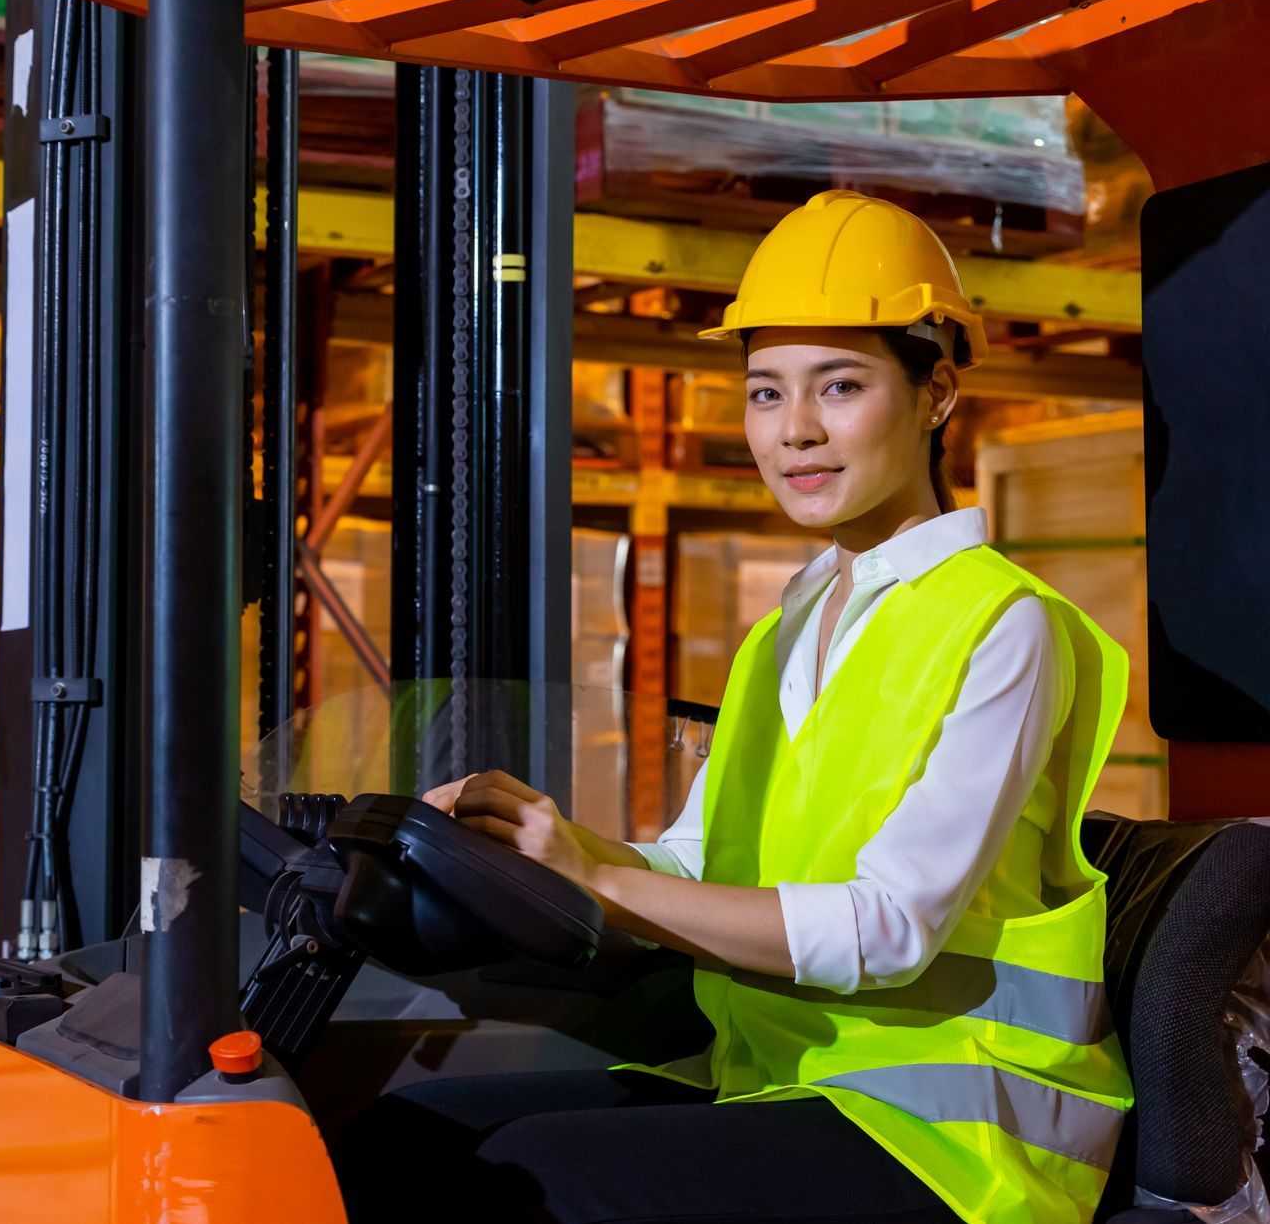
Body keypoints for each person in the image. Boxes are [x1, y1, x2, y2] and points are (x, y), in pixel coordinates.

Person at [334, 191, 1134, 1224]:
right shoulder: (787, 628)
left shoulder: (1005, 624)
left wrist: (600, 885)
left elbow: (890, 928)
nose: (794, 430)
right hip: (779, 1077)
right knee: (406, 1135)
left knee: (532, 1178)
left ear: (937, 391)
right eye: (764, 393)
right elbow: (695, 867)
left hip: (957, 1131)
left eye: (839, 386)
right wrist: (547, 845)